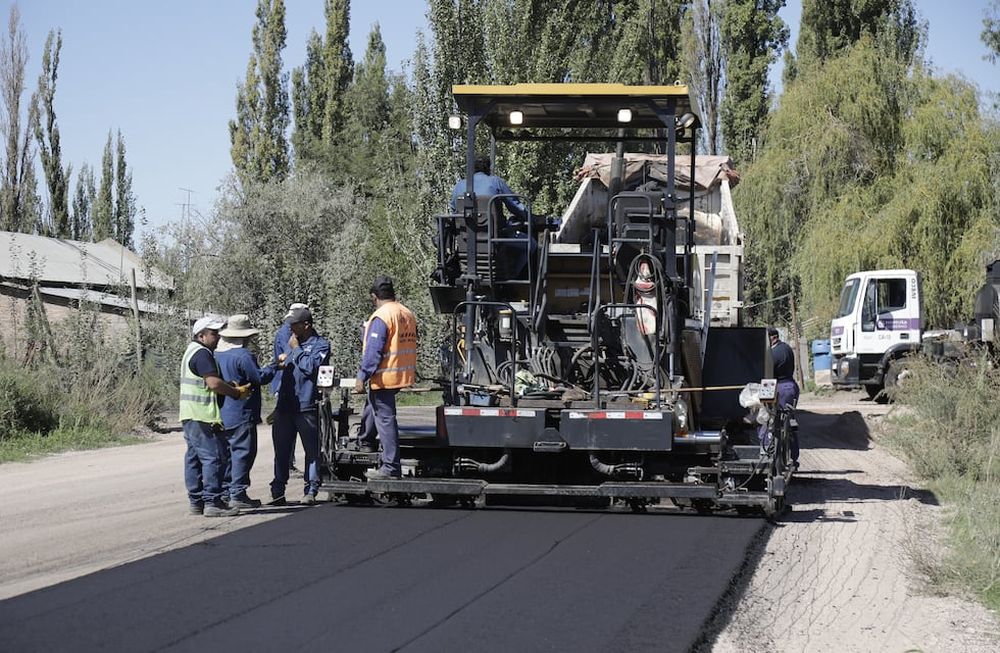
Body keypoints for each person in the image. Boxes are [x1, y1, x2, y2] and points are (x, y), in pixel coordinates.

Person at [180, 316, 251, 517]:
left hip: (190, 414)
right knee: (214, 458)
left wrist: (227, 385)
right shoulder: (203, 354)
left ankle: (197, 502)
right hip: (203, 415)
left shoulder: (191, 350)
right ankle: (213, 502)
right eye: (213, 333)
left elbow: (208, 382)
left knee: (194, 458)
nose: (218, 337)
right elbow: (213, 383)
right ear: (201, 336)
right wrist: (235, 393)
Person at [355, 275, 418, 480]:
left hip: (385, 376)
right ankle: (365, 440)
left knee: (385, 419)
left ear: (374, 297)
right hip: (401, 373)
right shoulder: (406, 313)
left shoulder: (382, 316)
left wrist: (362, 376)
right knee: (373, 404)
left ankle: (391, 467)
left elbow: (373, 351)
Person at [270, 305, 330, 505]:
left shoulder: (320, 345)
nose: (290, 328)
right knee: (281, 451)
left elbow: (311, 368)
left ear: (306, 325)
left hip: (306, 406)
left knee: (311, 451)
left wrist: (296, 349)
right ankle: (278, 490)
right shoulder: (290, 341)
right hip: (285, 405)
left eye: (294, 324)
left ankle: (310, 489)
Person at [216, 314, 276, 509]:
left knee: (226, 454)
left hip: (222, 411)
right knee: (243, 453)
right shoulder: (243, 356)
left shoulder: (217, 355)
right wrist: (275, 366)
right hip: (242, 411)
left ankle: (226, 492)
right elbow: (258, 377)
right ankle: (238, 493)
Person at [449, 156, 535, 279]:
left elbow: (453, 213)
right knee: (531, 244)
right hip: (495, 240)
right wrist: (529, 217)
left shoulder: (460, 185)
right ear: (488, 168)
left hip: (465, 242)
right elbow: (515, 206)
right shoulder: (496, 182)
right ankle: (514, 276)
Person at [271, 302, 308, 473]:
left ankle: (288, 464)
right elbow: (286, 357)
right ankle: (288, 464)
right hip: (287, 384)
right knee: (288, 427)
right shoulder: (287, 333)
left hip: (288, 383)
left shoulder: (286, 331)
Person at [768, 326, 801, 470]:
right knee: (789, 422)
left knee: (775, 423)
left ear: (772, 338)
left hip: (781, 388)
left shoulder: (773, 353)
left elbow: (768, 372)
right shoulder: (787, 348)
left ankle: (775, 457)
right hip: (792, 386)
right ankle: (794, 458)